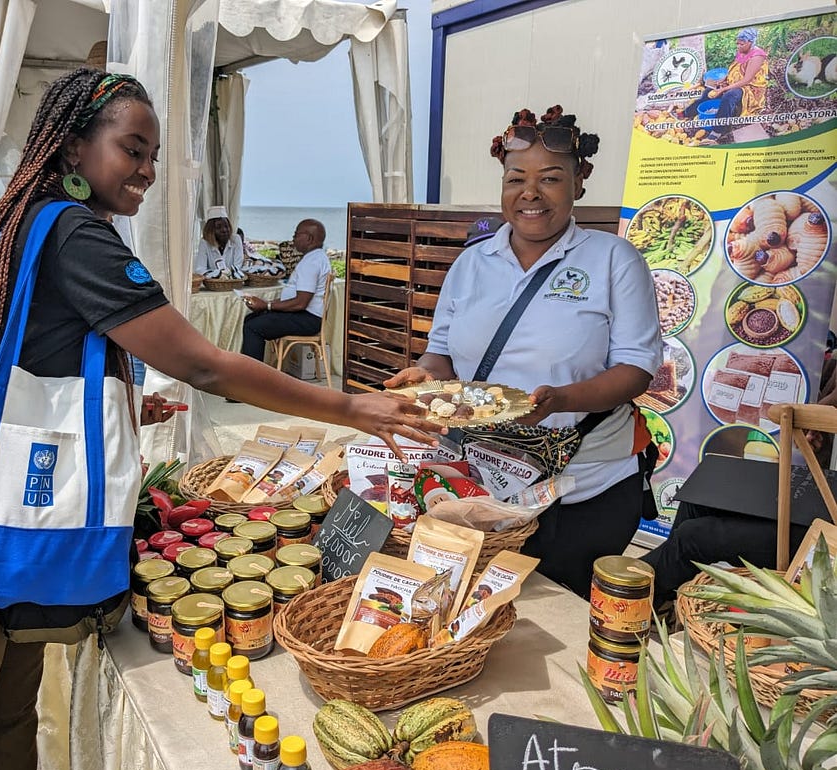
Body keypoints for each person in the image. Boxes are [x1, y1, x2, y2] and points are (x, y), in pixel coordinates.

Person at [0, 69, 440, 770]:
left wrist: (115, 406)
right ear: (72, 148)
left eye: (154, 155)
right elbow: (206, 366)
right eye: (133, 149)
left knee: (7, 728)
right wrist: (350, 405)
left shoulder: (29, 216)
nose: (149, 171)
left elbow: (23, 348)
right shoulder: (72, 232)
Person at [385, 105, 663, 599]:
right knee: (480, 607)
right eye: (516, 179)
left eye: (550, 178)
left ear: (581, 181)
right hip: (482, 479)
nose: (530, 193)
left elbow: (636, 370)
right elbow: (443, 353)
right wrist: (423, 375)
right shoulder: (473, 263)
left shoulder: (613, 260)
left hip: (584, 484)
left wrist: (561, 399)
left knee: (565, 614)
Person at [642, 500, 809, 610]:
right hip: (816, 500)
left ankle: (634, 592)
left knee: (693, 536)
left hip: (818, 537)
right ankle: (662, 597)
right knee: (696, 501)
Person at [240, 218, 331, 363]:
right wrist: (267, 305)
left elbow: (301, 303)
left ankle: (253, 378)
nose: (293, 238)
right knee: (252, 319)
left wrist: (267, 305)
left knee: (253, 327)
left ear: (309, 238)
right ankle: (249, 369)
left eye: (296, 234)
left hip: (307, 319)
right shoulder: (316, 257)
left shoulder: (312, 263)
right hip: (305, 315)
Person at [684, 28, 768, 136]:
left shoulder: (758, 56)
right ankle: (687, 113)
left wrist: (724, 89)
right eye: (737, 44)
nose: (738, 46)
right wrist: (722, 81)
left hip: (749, 88)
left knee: (729, 96)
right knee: (709, 91)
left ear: (750, 42)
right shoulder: (742, 50)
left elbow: (747, 80)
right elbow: (734, 68)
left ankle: (718, 130)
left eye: (741, 44)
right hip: (735, 81)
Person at [193, 204, 243, 275]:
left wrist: (228, 275)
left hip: (232, 282)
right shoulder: (204, 243)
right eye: (218, 227)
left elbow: (238, 266)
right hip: (212, 284)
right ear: (211, 230)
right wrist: (217, 276)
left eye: (226, 226)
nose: (224, 230)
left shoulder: (236, 239)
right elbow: (200, 269)